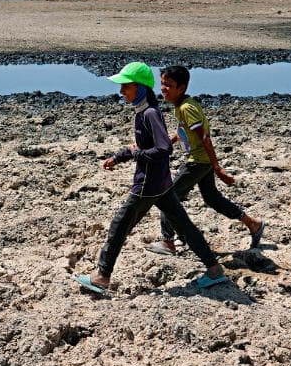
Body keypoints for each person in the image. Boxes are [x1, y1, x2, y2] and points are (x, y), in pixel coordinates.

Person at [75, 62, 227, 294]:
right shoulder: (144, 112)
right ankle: (214, 270)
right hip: (162, 184)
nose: (121, 91)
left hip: (148, 185)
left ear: (141, 88)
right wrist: (119, 157)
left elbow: (164, 148)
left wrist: (135, 154)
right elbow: (142, 145)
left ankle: (101, 277)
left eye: (126, 86)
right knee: (184, 225)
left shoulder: (150, 113)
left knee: (119, 225)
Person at [146, 66, 264, 256]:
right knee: (212, 198)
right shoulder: (182, 105)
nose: (163, 88)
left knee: (167, 196)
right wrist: (164, 146)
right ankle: (253, 224)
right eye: (162, 83)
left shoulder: (186, 107)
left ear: (181, 88)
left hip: (199, 161)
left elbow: (205, 137)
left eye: (168, 85)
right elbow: (182, 131)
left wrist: (218, 168)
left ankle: (168, 241)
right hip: (202, 160)